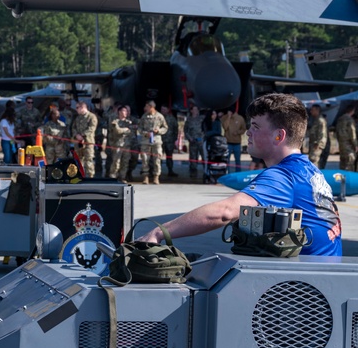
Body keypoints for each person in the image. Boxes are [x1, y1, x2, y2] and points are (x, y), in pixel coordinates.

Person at [137, 93, 342, 257]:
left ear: (279, 136)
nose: (248, 133)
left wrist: (159, 232)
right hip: (318, 284)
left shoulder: (284, 176)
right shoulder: (310, 170)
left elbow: (224, 212)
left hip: (301, 294)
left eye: (255, 127)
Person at [137, 100, 168, 184]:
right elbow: (139, 128)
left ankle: (156, 177)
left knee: (157, 159)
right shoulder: (144, 116)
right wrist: (145, 133)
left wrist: (158, 131)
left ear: (151, 107)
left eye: (146, 106)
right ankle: (145, 177)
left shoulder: (160, 116)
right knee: (145, 159)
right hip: (145, 141)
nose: (145, 108)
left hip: (156, 141)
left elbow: (165, 128)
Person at [107, 105, 134, 182]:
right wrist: (111, 144)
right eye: (123, 111)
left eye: (126, 111)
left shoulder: (129, 122)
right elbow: (115, 132)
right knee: (116, 162)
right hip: (117, 145)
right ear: (119, 112)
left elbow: (131, 133)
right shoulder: (115, 122)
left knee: (125, 162)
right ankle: (113, 176)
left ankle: (122, 177)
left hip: (127, 145)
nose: (125, 113)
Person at [71, 101, 98, 177]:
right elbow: (73, 127)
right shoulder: (78, 118)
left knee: (88, 160)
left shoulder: (92, 117)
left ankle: (90, 177)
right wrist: (76, 135)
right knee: (78, 161)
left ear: (83, 107)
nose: (76, 109)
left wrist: (82, 136)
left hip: (88, 143)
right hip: (78, 143)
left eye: (77, 107)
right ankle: (79, 176)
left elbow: (92, 128)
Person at [221, 108, 248, 173]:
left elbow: (243, 129)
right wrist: (228, 117)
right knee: (227, 159)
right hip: (228, 142)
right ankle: (227, 172)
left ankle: (238, 172)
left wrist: (238, 132)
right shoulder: (225, 117)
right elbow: (225, 127)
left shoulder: (240, 118)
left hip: (237, 142)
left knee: (238, 160)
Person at [184, 105, 206, 179]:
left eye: (197, 109)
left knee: (204, 157)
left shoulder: (202, 118)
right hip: (193, 141)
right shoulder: (189, 120)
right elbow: (186, 131)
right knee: (193, 158)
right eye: (195, 109)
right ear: (191, 111)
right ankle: (193, 172)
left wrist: (204, 137)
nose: (196, 111)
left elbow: (206, 128)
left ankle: (206, 171)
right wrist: (189, 138)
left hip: (201, 141)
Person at [336, 103, 357, 172]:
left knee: (343, 164)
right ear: (352, 111)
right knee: (349, 164)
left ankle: (341, 181)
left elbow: (337, 132)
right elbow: (352, 133)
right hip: (349, 146)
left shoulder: (340, 119)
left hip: (341, 145)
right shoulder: (350, 120)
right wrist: (356, 145)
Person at [306, 104, 328, 168]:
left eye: (312, 110)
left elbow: (323, 134)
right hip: (313, 145)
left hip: (316, 146)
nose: (311, 112)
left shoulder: (321, 121)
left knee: (313, 161)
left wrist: (319, 144)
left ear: (317, 110)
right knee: (312, 161)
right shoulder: (316, 120)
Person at [160, 105, 179, 177]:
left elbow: (175, 129)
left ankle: (170, 171)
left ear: (168, 110)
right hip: (160, 141)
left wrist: (174, 139)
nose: (163, 111)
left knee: (169, 157)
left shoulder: (172, 118)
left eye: (164, 109)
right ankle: (158, 171)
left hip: (169, 141)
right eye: (162, 109)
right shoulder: (159, 118)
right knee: (158, 157)